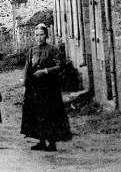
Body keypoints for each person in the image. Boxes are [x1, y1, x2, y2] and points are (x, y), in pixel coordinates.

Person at [21, 23, 72, 152]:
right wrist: (25, 81)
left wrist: (45, 71)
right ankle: (41, 141)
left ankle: (52, 142)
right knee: (36, 112)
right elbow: (27, 67)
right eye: (37, 35)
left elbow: (60, 65)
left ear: (46, 35)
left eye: (42, 35)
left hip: (49, 86)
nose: (39, 38)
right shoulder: (32, 50)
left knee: (50, 113)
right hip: (34, 86)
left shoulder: (53, 49)